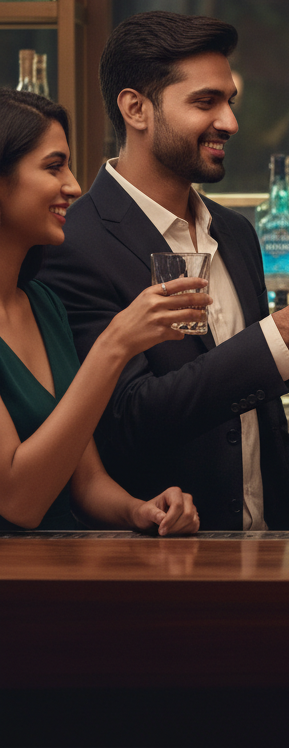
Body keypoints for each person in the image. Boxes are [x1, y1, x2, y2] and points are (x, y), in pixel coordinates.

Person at [37, 11, 289, 530]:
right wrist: (287, 329)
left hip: (267, 557)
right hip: (158, 567)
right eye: (206, 102)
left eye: (230, 102)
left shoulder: (237, 232)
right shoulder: (74, 242)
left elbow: (264, 422)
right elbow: (126, 420)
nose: (230, 122)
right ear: (136, 108)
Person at [0, 89, 200, 533]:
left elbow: (85, 481)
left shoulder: (42, 304)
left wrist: (139, 509)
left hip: (58, 584)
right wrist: (116, 342)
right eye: (54, 166)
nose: (73, 185)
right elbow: (19, 500)